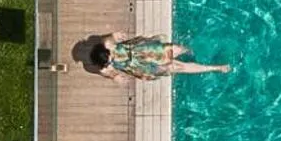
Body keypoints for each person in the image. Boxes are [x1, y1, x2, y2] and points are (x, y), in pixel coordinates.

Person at [87, 32, 230, 83]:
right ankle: (216, 67)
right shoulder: (105, 68)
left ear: (107, 51)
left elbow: (109, 38)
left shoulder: (107, 44)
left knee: (178, 49)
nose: (111, 62)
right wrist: (114, 77)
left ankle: (195, 49)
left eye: (110, 58)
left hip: (144, 50)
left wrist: (114, 35)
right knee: (179, 67)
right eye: (108, 63)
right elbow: (109, 73)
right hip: (143, 67)